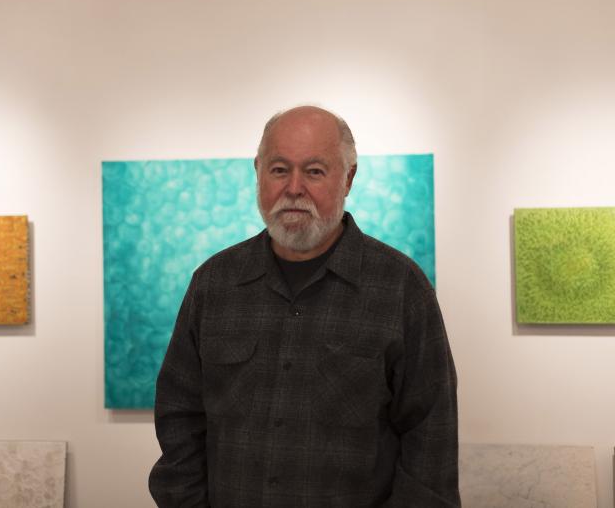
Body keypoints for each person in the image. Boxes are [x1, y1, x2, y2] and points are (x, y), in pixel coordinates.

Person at [149, 106, 460, 507]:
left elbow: (430, 446)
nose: (294, 188)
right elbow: (179, 418)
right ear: (258, 172)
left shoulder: (401, 288)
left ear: (348, 178)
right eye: (279, 170)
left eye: (314, 171)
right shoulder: (214, 284)